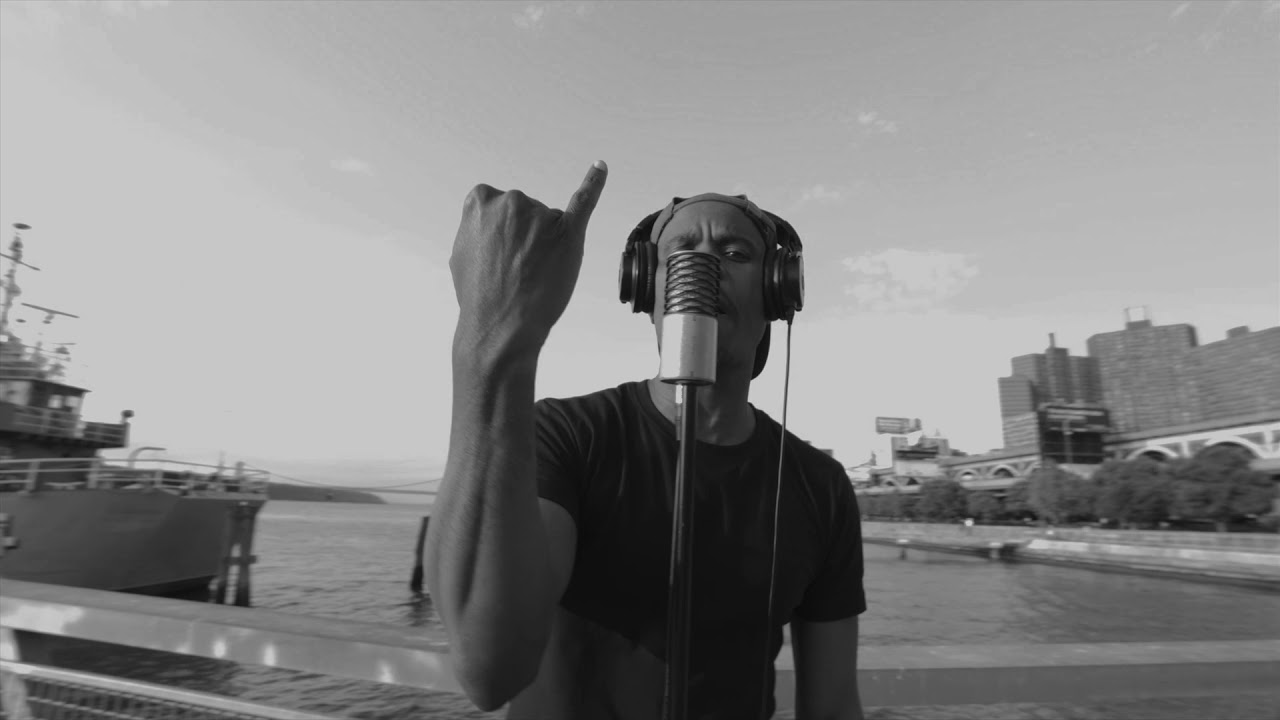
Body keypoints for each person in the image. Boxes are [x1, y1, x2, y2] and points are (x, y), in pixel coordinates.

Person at [425, 161, 866, 719]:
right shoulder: (564, 436)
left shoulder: (820, 487)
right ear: (644, 289)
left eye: (735, 253)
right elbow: (489, 672)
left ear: (779, 292)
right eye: (680, 253)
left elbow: (833, 706)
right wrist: (491, 336)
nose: (703, 266)